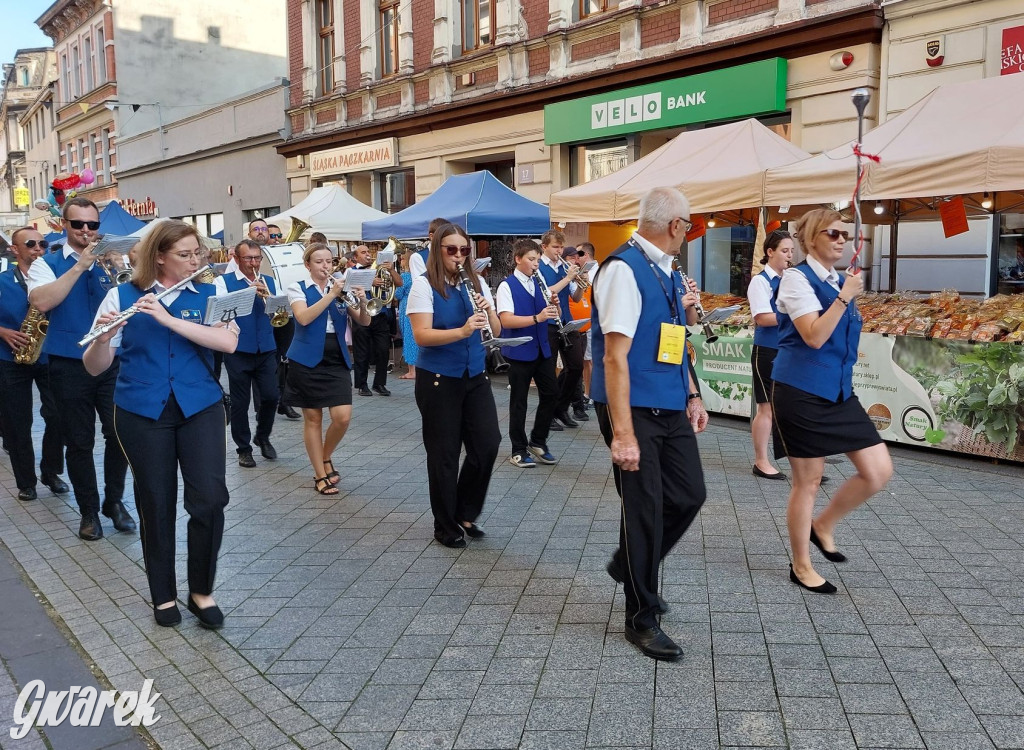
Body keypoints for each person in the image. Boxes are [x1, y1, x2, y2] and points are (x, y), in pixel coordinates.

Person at [82, 219, 238, 628]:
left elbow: (227, 342)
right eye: (184, 255)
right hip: (141, 410)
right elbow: (95, 367)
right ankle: (163, 595)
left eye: (197, 253)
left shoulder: (212, 290)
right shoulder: (120, 295)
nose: (194, 262)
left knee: (210, 498)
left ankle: (201, 591)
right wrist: (102, 338)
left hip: (199, 404)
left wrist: (168, 318)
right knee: (156, 501)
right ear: (159, 257)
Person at [591, 187, 708, 661]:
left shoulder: (666, 269)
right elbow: (615, 357)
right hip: (632, 407)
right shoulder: (623, 269)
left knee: (689, 494)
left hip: (669, 400)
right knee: (644, 510)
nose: (690, 233)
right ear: (676, 225)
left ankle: (629, 563)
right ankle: (641, 615)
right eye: (690, 225)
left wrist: (693, 392)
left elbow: (675, 339)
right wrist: (622, 433)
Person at [772, 208, 893, 594]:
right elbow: (813, 336)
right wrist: (844, 298)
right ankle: (800, 565)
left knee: (878, 471)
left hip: (839, 392)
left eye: (845, 234)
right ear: (811, 239)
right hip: (801, 391)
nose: (842, 240)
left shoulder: (840, 279)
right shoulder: (795, 279)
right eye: (833, 234)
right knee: (806, 482)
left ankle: (822, 525)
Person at [27, 197, 134, 541]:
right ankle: (89, 511)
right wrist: (80, 265)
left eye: (93, 225)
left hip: (112, 361)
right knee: (79, 441)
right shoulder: (49, 263)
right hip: (67, 364)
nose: (87, 231)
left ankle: (114, 501)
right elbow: (42, 301)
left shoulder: (113, 260)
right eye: (78, 225)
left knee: (120, 435)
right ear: (64, 225)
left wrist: (120, 269)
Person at [408, 223, 501, 548]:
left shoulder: (475, 283)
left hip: (475, 375)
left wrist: (488, 309)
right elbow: (422, 335)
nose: (459, 256)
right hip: (438, 379)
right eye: (452, 250)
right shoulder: (424, 285)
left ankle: (465, 511)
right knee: (444, 455)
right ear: (438, 250)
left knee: (488, 444)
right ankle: (445, 525)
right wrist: (462, 331)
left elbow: (496, 328)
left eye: (465, 250)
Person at [283, 244, 370, 494]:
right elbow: (304, 318)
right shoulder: (298, 288)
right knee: (313, 418)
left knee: (342, 417)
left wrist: (362, 301)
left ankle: (325, 455)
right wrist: (331, 295)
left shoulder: (341, 289)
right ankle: (319, 474)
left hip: (336, 358)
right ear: (308, 265)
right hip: (307, 358)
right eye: (319, 262)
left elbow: (364, 321)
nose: (325, 267)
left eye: (329, 262)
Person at [0, 227, 67, 502]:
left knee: (59, 416)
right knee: (18, 422)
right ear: (15, 250)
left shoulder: (53, 277)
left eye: (43, 243)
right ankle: (25, 481)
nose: (38, 248)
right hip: (9, 357)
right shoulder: (2, 279)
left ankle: (50, 472)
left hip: (49, 355)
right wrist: (2, 332)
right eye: (30, 244)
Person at [214, 239, 281, 467]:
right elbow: (221, 310)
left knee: (272, 396)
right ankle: (243, 448)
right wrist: (248, 292)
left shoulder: (269, 281)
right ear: (236, 259)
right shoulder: (223, 281)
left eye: (257, 258)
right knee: (240, 403)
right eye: (248, 258)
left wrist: (272, 301)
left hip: (266, 347)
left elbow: (280, 314)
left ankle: (262, 435)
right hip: (238, 349)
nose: (253, 263)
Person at [496, 239, 561, 468]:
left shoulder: (539, 280)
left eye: (537, 260)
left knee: (552, 393)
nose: (535, 265)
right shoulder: (507, 285)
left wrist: (555, 306)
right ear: (518, 259)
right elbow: (506, 319)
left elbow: (551, 312)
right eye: (531, 260)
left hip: (541, 348)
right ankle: (518, 449)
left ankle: (538, 441)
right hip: (519, 350)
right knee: (519, 402)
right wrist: (537, 318)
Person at [747, 230, 793, 480]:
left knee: (791, 407)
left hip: (789, 350)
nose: (790, 256)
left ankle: (800, 461)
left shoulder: (792, 280)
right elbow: (762, 318)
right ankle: (761, 461)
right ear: (770, 252)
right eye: (785, 251)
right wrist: (796, 315)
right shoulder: (760, 281)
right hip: (767, 350)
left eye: (792, 251)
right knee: (766, 409)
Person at [538, 230, 585, 429]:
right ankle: (548, 416)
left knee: (576, 366)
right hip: (547, 323)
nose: (559, 251)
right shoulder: (538, 266)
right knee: (548, 371)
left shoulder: (565, 267)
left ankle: (561, 408)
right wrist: (568, 278)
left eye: (560, 247)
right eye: (555, 247)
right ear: (544, 247)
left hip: (567, 322)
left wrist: (580, 282)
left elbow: (575, 297)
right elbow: (547, 292)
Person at [351, 244, 402, 396]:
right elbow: (348, 287)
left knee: (382, 350)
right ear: (355, 257)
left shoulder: (383, 269)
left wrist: (392, 270)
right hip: (362, 313)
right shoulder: (352, 271)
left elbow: (399, 284)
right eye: (363, 252)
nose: (367, 254)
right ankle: (362, 385)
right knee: (362, 351)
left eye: (368, 252)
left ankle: (379, 383)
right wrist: (370, 282)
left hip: (381, 313)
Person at [568, 242, 596, 421]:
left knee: (587, 361)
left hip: (589, 324)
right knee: (580, 363)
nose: (576, 259)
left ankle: (588, 396)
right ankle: (582, 397)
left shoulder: (595, 271)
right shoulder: (577, 272)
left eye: (578, 255)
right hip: (578, 326)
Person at [393, 253, 418, 380]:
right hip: (417, 306)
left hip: (406, 306)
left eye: (402, 259)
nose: (400, 261)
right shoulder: (419, 276)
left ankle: (412, 370)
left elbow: (398, 294)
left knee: (409, 338)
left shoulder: (405, 276)